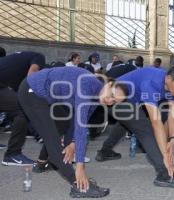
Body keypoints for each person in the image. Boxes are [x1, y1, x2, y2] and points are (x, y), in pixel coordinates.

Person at [18, 67, 128, 198]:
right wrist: (80, 166)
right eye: (112, 95)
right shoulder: (87, 85)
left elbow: (79, 123)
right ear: (109, 84)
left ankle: (41, 163)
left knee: (63, 124)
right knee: (53, 140)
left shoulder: (96, 97)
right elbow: (81, 129)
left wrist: (72, 143)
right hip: (31, 90)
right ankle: (78, 185)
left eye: (114, 102)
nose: (110, 101)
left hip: (47, 97)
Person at [96, 64, 174, 188]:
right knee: (144, 128)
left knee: (129, 122)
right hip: (113, 97)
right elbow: (156, 123)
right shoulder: (152, 82)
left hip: (131, 101)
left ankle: (105, 151)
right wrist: (165, 155)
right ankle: (165, 173)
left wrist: (173, 139)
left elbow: (173, 113)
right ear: (168, 78)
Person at [0, 51, 45, 166]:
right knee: (23, 108)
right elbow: (32, 75)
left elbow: (17, 93)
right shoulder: (39, 56)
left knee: (14, 106)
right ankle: (12, 154)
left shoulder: (16, 65)